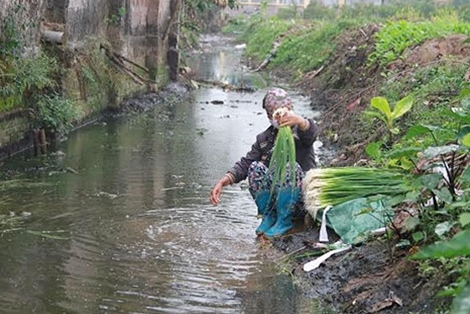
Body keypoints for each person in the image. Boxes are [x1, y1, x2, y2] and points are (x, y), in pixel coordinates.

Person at [209, 87, 318, 238]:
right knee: (255, 168)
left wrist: (299, 120)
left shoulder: (300, 131)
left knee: (290, 168)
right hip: (276, 199)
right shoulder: (264, 139)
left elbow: (311, 132)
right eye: (275, 114)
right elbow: (245, 164)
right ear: (268, 115)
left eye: (285, 112)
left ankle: (285, 220)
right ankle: (269, 216)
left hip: (300, 201)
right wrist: (223, 181)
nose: (280, 118)